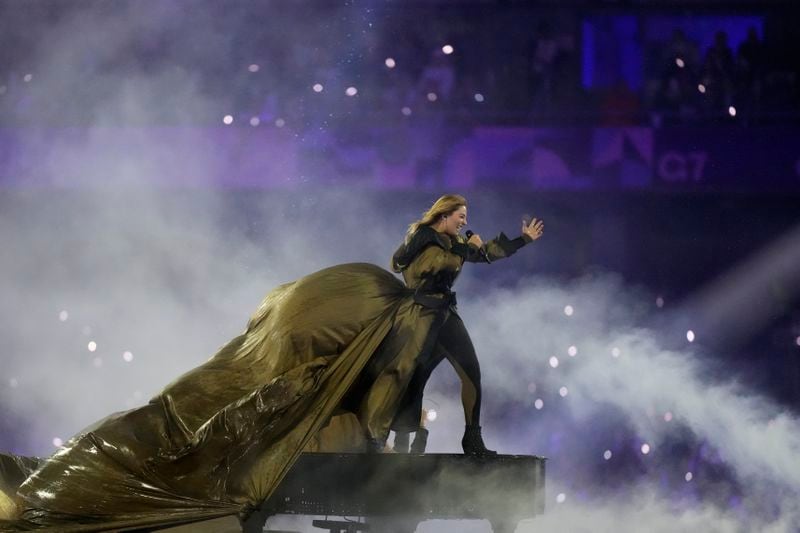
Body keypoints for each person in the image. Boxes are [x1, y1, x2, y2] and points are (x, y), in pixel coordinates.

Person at [0, 194, 543, 531]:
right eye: (460, 216)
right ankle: (381, 443)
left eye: (466, 217)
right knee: (401, 377)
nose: (465, 221)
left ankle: (469, 437)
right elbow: (414, 263)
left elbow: (477, 255)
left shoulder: (453, 243)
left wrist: (514, 241)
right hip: (416, 317)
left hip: (442, 316)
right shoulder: (425, 239)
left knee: (468, 373)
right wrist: (465, 246)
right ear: (443, 215)